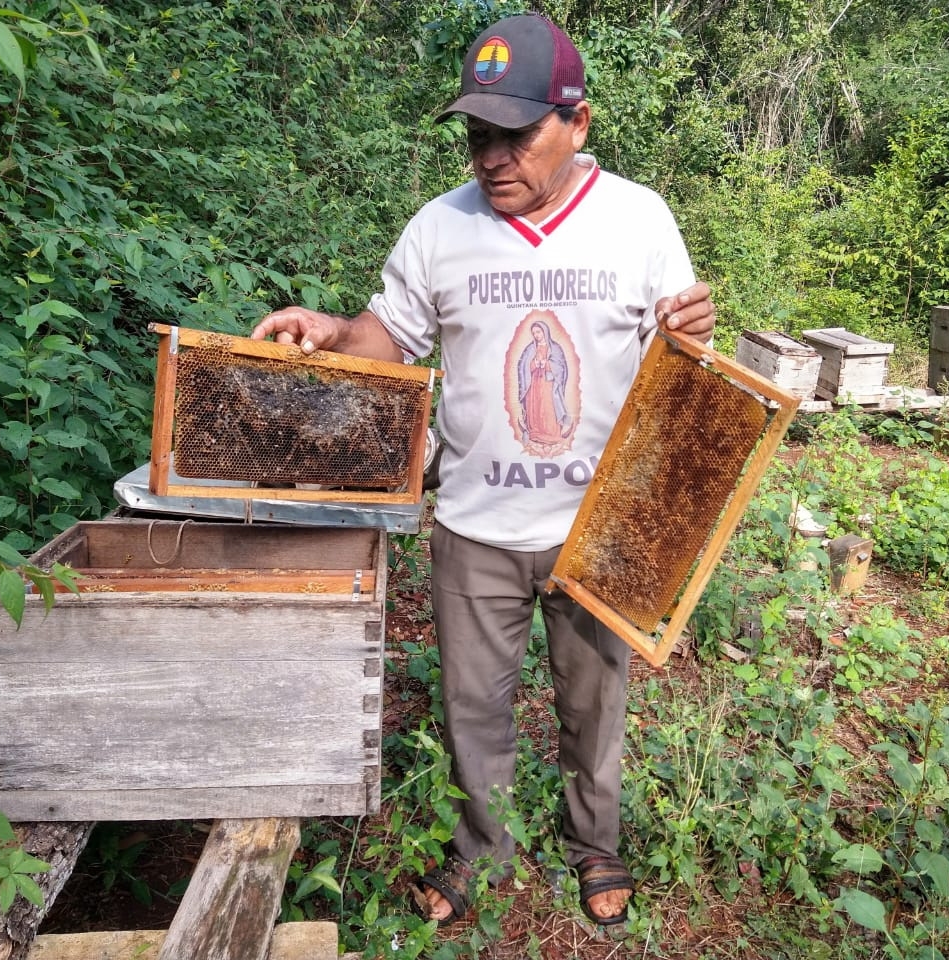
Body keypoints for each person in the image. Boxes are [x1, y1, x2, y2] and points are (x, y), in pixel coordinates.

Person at [252, 13, 715, 929]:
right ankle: (482, 846)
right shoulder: (440, 229)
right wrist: (336, 336)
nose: (494, 156)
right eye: (478, 135)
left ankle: (597, 843)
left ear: (577, 123)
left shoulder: (639, 219)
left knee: (594, 703)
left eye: (518, 133)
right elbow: (389, 338)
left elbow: (682, 360)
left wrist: (688, 337)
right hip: (474, 525)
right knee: (474, 708)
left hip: (600, 523)